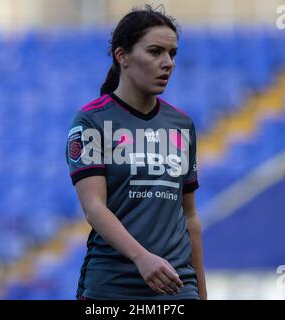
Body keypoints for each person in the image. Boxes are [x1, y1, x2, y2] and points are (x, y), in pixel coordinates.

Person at [66, 4, 207, 300]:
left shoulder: (181, 124)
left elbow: (190, 216)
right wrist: (141, 257)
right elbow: (94, 208)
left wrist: (201, 293)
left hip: (178, 289)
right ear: (122, 56)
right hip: (111, 289)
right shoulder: (92, 121)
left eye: (172, 53)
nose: (167, 62)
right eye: (155, 52)